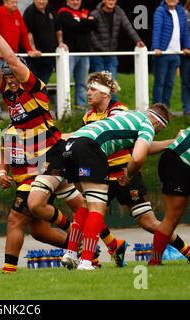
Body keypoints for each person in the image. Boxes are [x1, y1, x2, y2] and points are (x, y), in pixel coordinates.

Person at [0, 10, 124, 267]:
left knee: (35, 206)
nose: (10, 80)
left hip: (54, 154)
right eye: (8, 76)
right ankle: (113, 244)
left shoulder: (35, 87)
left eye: (13, 75)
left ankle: (71, 243)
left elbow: (11, 59)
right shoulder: (9, 94)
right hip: (43, 160)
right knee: (81, 208)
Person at [82, 71, 190, 263]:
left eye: (92, 88)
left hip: (125, 171)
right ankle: (109, 248)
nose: (88, 92)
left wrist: (174, 142)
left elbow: (141, 149)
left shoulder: (120, 111)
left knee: (148, 222)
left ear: (106, 93)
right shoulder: (88, 116)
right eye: (88, 88)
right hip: (103, 174)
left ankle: (186, 251)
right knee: (89, 213)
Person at [60, 103, 171, 270]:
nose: (153, 135)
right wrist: (129, 175)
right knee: (97, 206)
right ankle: (86, 262)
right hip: (90, 148)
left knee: (86, 203)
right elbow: (139, 157)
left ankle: (71, 253)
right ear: (157, 124)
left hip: (71, 146)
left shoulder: (128, 116)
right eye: (157, 132)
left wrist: (172, 142)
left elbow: (144, 147)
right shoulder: (147, 125)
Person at [0, 124, 73, 274]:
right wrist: (1, 172)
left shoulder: (39, 125)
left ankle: (9, 269)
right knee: (40, 232)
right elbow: (3, 153)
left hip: (38, 180)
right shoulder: (9, 130)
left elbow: (59, 141)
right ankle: (82, 247)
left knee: (15, 219)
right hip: (22, 183)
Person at [0, 0, 41, 120]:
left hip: (13, 58)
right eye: (12, 2)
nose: (15, 5)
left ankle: (18, 111)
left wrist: (29, 49)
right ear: (5, 2)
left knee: (16, 84)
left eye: (16, 2)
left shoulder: (17, 13)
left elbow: (23, 33)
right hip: (0, 57)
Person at [149, 126, 190, 266]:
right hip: (178, 162)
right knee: (172, 216)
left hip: (173, 159)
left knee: (172, 217)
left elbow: (182, 132)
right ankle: (154, 261)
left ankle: (155, 261)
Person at [89, 0, 145, 85]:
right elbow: (91, 35)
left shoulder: (119, 12)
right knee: (100, 82)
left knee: (113, 81)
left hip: (111, 53)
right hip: (97, 54)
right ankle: (100, 99)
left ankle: (113, 99)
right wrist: (101, 48)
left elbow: (128, 27)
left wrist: (138, 40)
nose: (111, 2)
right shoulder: (94, 14)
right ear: (103, 0)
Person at [58, 0, 97, 109]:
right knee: (65, 81)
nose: (75, 2)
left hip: (84, 53)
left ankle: (81, 108)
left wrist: (80, 22)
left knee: (82, 83)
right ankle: (63, 109)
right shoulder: (63, 12)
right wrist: (85, 22)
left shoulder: (85, 11)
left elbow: (95, 24)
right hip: (69, 53)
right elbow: (73, 26)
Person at [152, 0, 190, 109]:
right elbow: (157, 29)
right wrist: (156, 47)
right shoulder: (160, 11)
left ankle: (165, 110)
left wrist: (187, 47)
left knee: (169, 84)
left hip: (176, 53)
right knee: (160, 83)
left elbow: (185, 32)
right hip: (162, 54)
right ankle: (156, 110)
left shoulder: (181, 11)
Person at [23, 0, 68, 85]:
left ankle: (40, 98)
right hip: (34, 58)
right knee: (32, 85)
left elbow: (58, 29)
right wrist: (33, 49)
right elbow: (28, 33)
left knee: (43, 84)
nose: (41, 1)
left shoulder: (51, 9)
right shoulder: (29, 12)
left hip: (49, 56)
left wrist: (60, 43)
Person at [181, 0, 190, 116]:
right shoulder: (183, 13)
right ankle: (187, 108)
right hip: (186, 54)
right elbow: (182, 34)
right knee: (186, 82)